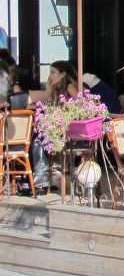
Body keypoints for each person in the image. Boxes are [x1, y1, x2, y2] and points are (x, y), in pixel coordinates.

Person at [26, 61, 80, 190]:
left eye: (53, 72)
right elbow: (50, 106)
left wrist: (64, 110)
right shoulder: (57, 90)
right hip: (58, 129)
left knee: (38, 137)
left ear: (63, 74)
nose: (50, 76)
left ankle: (41, 176)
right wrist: (48, 91)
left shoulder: (69, 86)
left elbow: (80, 104)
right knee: (36, 135)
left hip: (70, 131)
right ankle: (40, 176)